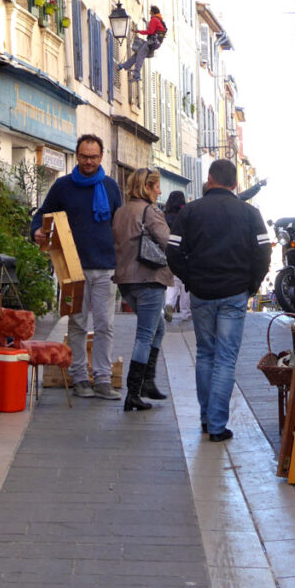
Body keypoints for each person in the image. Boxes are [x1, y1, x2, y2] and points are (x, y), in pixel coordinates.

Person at [166, 159, 270, 442]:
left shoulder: (190, 212)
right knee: (225, 359)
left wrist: (190, 278)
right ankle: (216, 425)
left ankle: (205, 418)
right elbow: (263, 253)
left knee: (205, 355)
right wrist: (252, 284)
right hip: (235, 293)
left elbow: (173, 251)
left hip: (201, 292)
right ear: (236, 184)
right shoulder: (250, 213)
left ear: (209, 179)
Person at [31, 135, 123, 400]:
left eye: (93, 157)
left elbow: (119, 224)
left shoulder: (110, 187)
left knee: (105, 324)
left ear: (101, 156)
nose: (88, 161)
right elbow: (41, 215)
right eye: (84, 156)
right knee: (77, 324)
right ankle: (80, 377)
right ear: (77, 155)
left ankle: (104, 380)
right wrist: (37, 230)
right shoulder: (63, 186)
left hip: (105, 267)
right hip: (72, 267)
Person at [112, 168, 174, 411]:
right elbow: (168, 241)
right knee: (145, 335)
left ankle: (147, 382)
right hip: (149, 277)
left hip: (126, 280)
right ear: (146, 187)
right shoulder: (150, 211)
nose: (159, 191)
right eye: (156, 186)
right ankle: (133, 392)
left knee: (158, 327)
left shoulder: (121, 211)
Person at [116, 5, 167, 81]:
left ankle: (136, 75)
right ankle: (123, 66)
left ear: (152, 12)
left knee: (140, 56)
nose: (150, 14)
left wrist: (138, 31)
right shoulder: (159, 20)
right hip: (156, 42)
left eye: (150, 13)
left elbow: (150, 31)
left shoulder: (154, 19)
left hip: (152, 41)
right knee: (137, 54)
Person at [162, 191, 189, 322]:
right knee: (185, 286)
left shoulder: (164, 216)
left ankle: (169, 305)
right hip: (184, 255)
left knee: (172, 283)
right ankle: (185, 313)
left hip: (168, 254)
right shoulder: (185, 215)